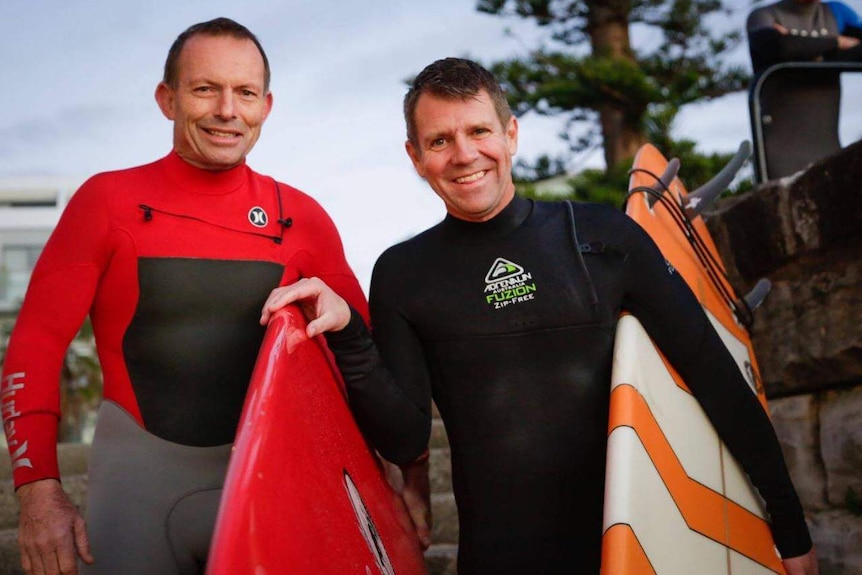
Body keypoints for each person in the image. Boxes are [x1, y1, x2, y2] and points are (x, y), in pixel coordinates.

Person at [263, 58, 820, 574]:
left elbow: (715, 378)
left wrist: (791, 531)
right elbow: (406, 437)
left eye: (478, 131)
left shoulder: (603, 237)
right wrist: (351, 336)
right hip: (500, 558)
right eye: (440, 140)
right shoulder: (405, 273)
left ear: (510, 135)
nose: (463, 154)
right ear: (416, 157)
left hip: (637, 547)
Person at [0, 18, 367, 575]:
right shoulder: (107, 201)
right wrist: (38, 492)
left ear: (266, 105)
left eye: (244, 92)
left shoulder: (305, 220)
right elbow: (36, 344)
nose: (227, 110)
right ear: (166, 99)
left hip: (271, 490)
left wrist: (399, 475)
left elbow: (365, 365)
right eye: (205, 89)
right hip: (137, 492)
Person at [747, 0, 862, 179]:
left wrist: (805, 46)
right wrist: (837, 42)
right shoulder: (764, 16)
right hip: (780, 153)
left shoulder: (836, 12)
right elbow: (779, 46)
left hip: (827, 146)